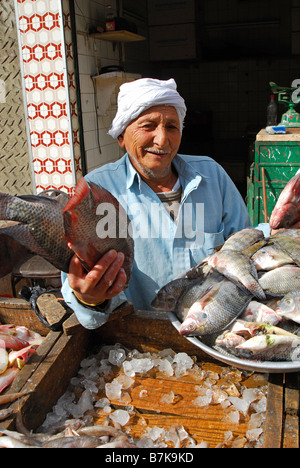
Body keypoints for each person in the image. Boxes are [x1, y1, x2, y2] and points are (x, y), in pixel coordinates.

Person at [61, 78, 253, 329]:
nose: (162, 140)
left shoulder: (211, 177)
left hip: (214, 327)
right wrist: (90, 300)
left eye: (171, 127)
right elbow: (81, 289)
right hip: (139, 343)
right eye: (148, 126)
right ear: (121, 136)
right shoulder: (98, 192)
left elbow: (245, 248)